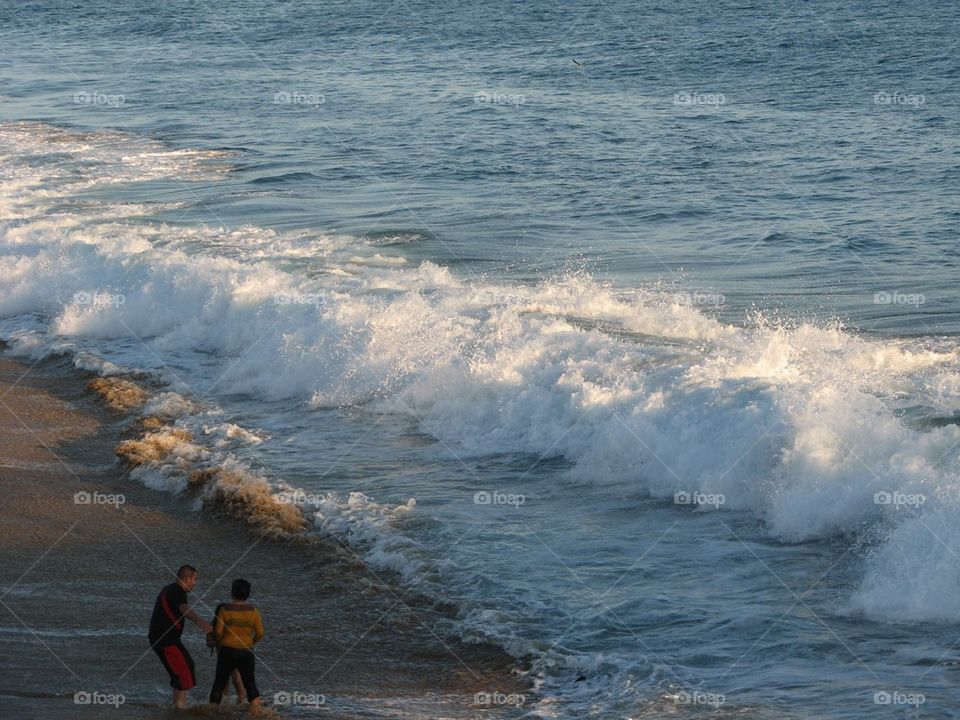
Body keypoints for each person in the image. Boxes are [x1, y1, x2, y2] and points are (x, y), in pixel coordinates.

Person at [148, 565, 213, 709]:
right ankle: (179, 708)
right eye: (195, 579)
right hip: (165, 640)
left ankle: (177, 705)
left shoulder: (170, 589)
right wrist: (200, 622)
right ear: (187, 578)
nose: (195, 583)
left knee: (182, 669)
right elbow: (183, 608)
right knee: (184, 671)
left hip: (163, 638)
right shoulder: (177, 591)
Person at [208, 578, 263, 710]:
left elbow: (218, 633)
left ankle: (212, 711)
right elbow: (260, 633)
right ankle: (256, 711)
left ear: (232, 593)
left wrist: (216, 640)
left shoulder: (224, 610)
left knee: (219, 683)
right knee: (250, 683)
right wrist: (251, 642)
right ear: (248, 594)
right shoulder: (254, 611)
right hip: (247, 651)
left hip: (227, 651)